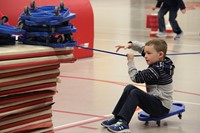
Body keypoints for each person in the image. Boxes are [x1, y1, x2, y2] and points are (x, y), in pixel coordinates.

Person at [101, 39, 175, 133]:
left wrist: (130, 61)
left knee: (135, 93)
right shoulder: (164, 60)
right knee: (129, 88)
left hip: (161, 108)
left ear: (160, 54)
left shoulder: (157, 69)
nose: (145, 56)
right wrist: (130, 45)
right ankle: (117, 117)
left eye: (148, 54)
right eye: (145, 53)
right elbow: (143, 48)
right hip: (155, 101)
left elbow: (136, 78)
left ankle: (124, 123)